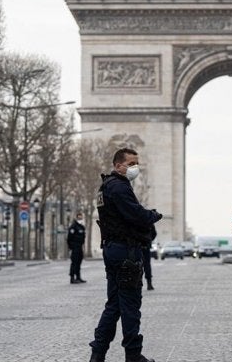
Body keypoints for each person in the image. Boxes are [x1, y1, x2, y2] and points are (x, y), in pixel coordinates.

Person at [89, 148, 163, 362]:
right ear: (118, 165)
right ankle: (133, 354)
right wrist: (153, 215)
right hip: (125, 251)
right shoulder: (119, 188)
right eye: (131, 163)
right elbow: (135, 215)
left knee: (114, 304)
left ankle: (98, 352)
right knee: (130, 304)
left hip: (113, 249)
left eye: (136, 163)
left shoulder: (105, 187)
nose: (134, 167)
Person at [68, 211, 87, 284]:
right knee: (74, 262)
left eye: (81, 217)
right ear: (76, 217)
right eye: (79, 217)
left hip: (80, 247)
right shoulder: (73, 227)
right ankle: (72, 278)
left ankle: (78, 277)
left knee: (79, 262)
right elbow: (69, 238)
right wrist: (71, 247)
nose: (80, 218)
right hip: (75, 247)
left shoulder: (81, 227)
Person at [141, 226, 157, 291]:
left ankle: (137, 283)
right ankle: (149, 284)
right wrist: (149, 240)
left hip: (136, 246)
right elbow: (154, 233)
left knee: (136, 264)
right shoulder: (148, 220)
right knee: (147, 265)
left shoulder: (135, 218)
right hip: (145, 246)